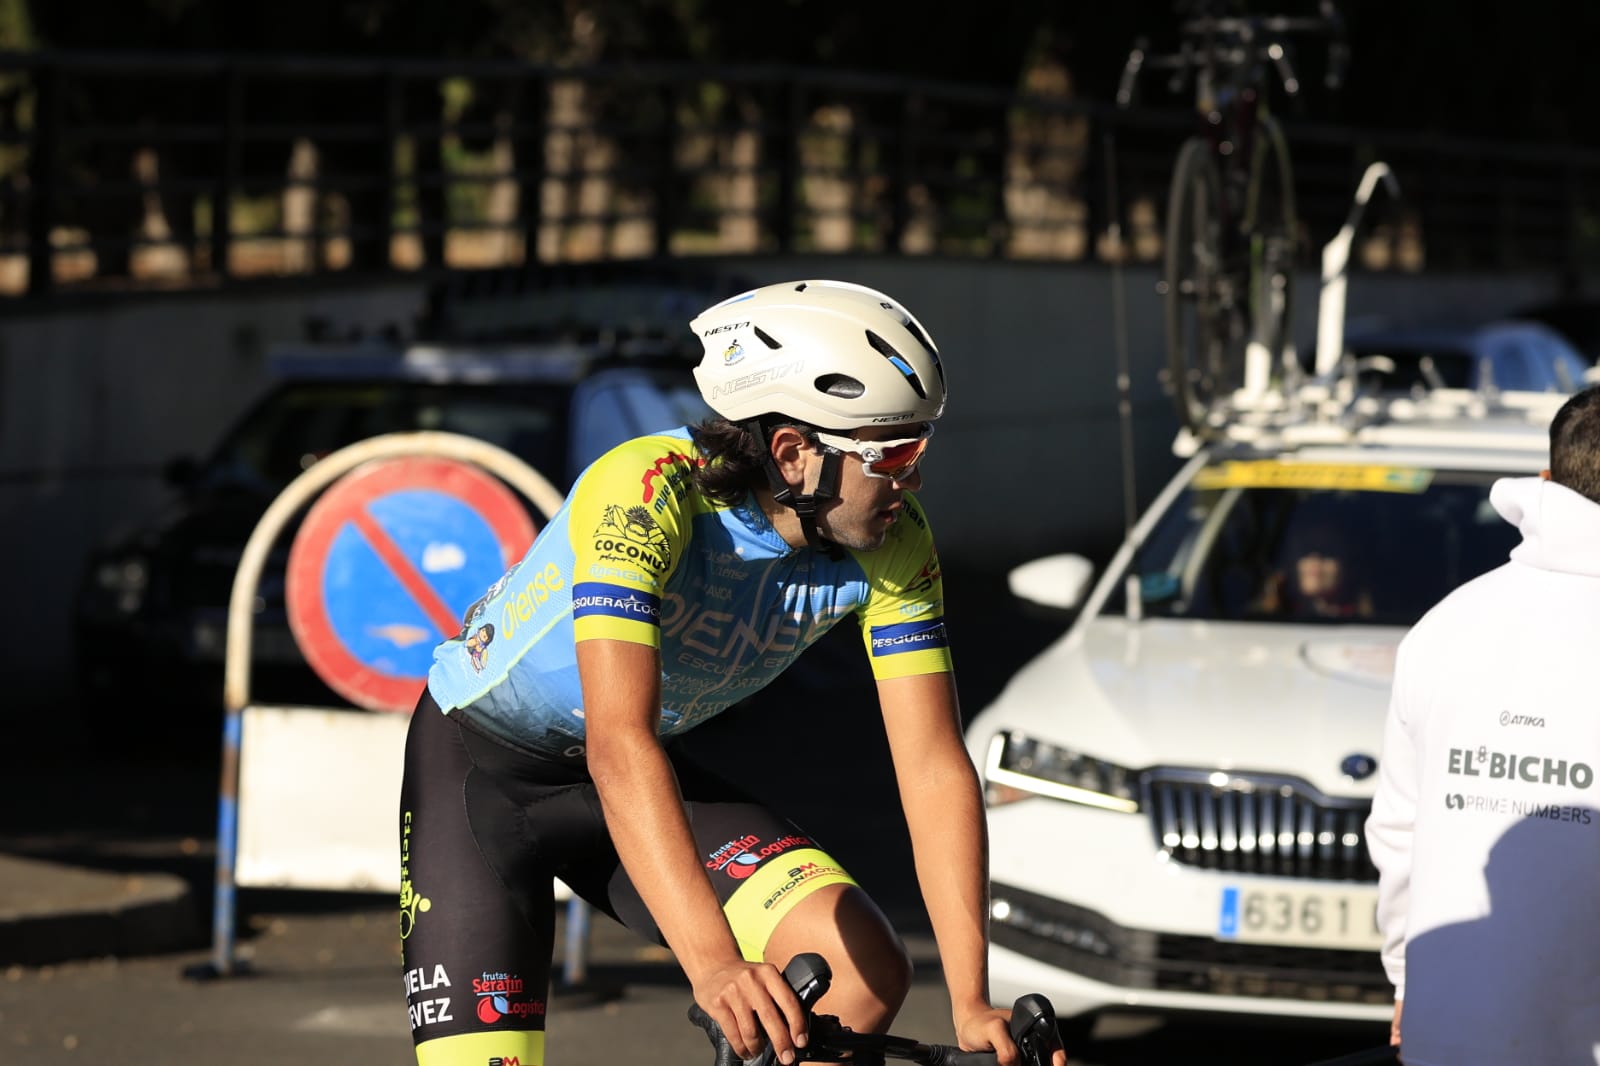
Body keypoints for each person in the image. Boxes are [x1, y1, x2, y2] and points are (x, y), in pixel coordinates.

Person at [397, 279, 1067, 1066]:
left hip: (632, 776)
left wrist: (969, 999)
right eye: (894, 453)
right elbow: (618, 739)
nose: (912, 481)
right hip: (484, 774)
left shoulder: (895, 540)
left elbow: (930, 764)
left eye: (920, 448)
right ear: (793, 452)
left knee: (862, 972)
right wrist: (714, 964)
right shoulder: (645, 491)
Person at [1365, 383, 1600, 1065]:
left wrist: (1410, 977)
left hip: (1451, 1031)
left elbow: (1399, 832)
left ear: (1548, 479)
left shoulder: (1447, 625)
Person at [1257, 510, 1374, 620]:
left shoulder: (1367, 617)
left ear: (1348, 564)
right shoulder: (1268, 615)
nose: (1314, 559)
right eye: (1306, 551)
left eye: (1327, 552)